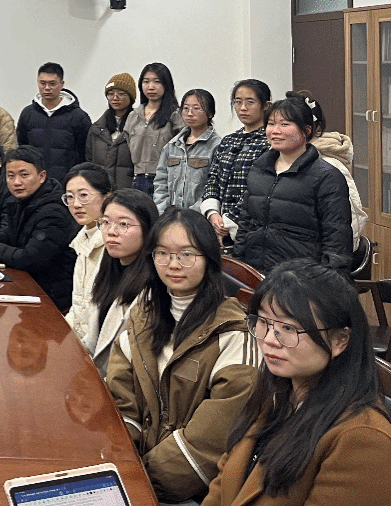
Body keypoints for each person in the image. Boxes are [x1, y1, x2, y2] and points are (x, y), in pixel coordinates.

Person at [201, 260, 391, 506]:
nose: (270, 340)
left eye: (289, 328)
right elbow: (221, 486)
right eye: (264, 322)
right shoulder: (276, 395)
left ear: (340, 340)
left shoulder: (362, 440)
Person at [106, 208, 261, 503]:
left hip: (193, 491)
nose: (173, 264)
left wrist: (139, 481)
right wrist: (119, 466)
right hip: (134, 473)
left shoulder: (234, 333)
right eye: (162, 253)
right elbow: (120, 401)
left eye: (187, 254)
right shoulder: (142, 318)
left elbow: (209, 442)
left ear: (209, 258)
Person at [232, 92, 353, 273]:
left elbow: (337, 239)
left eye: (285, 124)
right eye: (271, 124)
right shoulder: (259, 169)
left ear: (306, 130)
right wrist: (238, 267)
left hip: (301, 277)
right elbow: (246, 224)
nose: (275, 131)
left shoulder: (327, 177)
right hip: (256, 272)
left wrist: (326, 280)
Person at [0, 146, 78, 310]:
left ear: (42, 176)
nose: (16, 182)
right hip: (28, 285)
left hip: (50, 296)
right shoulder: (20, 200)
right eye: (10, 176)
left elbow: (31, 259)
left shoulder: (53, 211)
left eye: (24, 175)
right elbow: (15, 236)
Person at [86, 189, 160, 374]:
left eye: (123, 224)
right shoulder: (108, 268)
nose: (111, 232)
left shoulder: (153, 284)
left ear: (148, 229)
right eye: (105, 222)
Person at [200, 78, 272, 244]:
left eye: (250, 102)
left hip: (252, 228)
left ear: (266, 106)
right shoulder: (228, 140)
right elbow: (213, 179)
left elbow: (260, 189)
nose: (243, 108)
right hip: (219, 225)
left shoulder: (270, 142)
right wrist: (212, 213)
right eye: (238, 102)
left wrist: (230, 221)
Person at [301, 92, 368, 250]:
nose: (277, 130)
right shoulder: (274, 162)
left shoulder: (330, 166)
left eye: (287, 123)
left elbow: (352, 223)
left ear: (311, 128)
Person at [62, 163, 113, 347]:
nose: (76, 204)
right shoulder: (82, 240)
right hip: (78, 343)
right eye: (70, 197)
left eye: (84, 195)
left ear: (107, 197)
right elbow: (78, 307)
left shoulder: (112, 246)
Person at [15, 62, 91, 185]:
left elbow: (85, 152)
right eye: (42, 83)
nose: (47, 88)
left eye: (52, 84)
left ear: (62, 84)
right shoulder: (28, 113)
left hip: (66, 182)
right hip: (34, 182)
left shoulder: (78, 116)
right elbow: (22, 148)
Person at [153, 88, 222, 213]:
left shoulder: (217, 146)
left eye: (197, 108)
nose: (190, 113)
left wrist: (191, 214)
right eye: (185, 108)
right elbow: (161, 182)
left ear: (210, 113)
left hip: (199, 216)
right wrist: (163, 211)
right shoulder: (172, 145)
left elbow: (214, 186)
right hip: (170, 215)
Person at [126, 62, 183, 195]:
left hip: (165, 178)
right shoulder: (133, 116)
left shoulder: (175, 115)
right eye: (146, 82)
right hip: (138, 178)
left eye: (157, 82)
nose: (151, 87)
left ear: (166, 84)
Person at [85, 73, 136, 190]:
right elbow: (89, 161)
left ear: (131, 97)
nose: (115, 98)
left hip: (129, 191)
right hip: (102, 190)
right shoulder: (97, 129)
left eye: (121, 94)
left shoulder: (138, 127)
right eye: (111, 94)